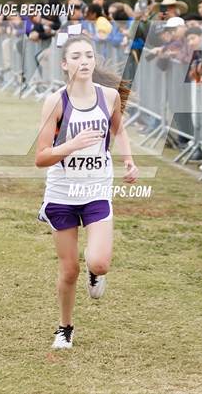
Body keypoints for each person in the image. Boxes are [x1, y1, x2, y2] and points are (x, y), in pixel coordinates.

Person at [35, 33, 138, 349]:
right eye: (76, 56)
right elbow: (41, 157)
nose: (84, 61)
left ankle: (97, 274)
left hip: (96, 191)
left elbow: (117, 128)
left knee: (99, 263)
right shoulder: (56, 102)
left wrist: (129, 161)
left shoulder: (109, 97)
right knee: (69, 270)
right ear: (65, 64)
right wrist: (70, 145)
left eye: (89, 56)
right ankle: (65, 328)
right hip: (63, 194)